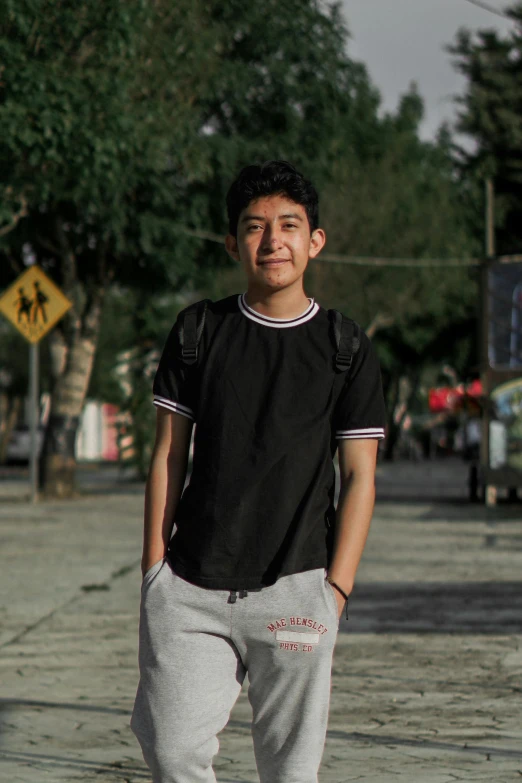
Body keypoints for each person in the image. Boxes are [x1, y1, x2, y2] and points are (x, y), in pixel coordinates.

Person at [131, 160, 386, 783]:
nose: (273, 241)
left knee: (290, 774)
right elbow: (167, 453)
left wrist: (336, 594)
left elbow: (360, 478)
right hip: (190, 588)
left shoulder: (345, 348)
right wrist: (153, 573)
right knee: (172, 753)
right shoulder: (198, 331)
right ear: (232, 242)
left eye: (289, 225)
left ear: (314, 241)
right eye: (255, 226)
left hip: (297, 588)